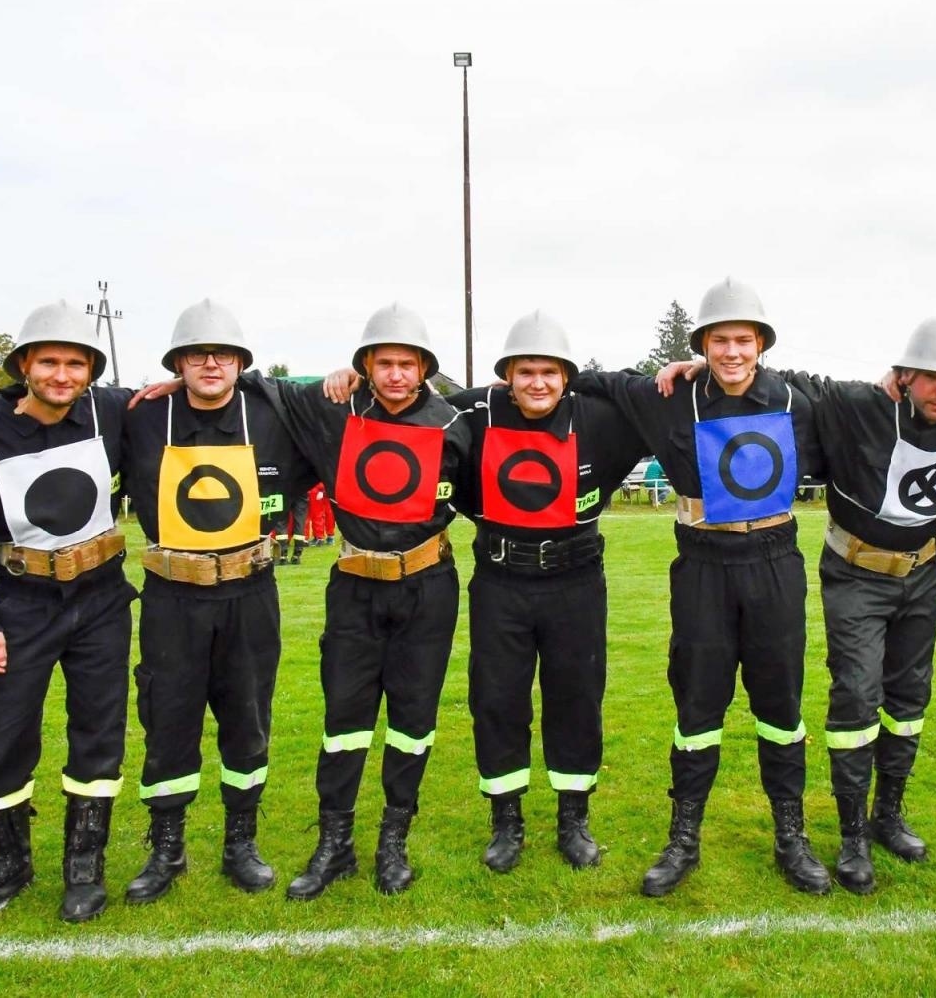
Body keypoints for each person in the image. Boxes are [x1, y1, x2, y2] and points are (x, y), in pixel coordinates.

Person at [663, 310, 936, 894]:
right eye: (930, 376)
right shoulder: (857, 403)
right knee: (850, 695)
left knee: (903, 698)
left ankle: (878, 816)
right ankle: (843, 836)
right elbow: (788, 380)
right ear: (904, 373)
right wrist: (708, 367)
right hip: (844, 572)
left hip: (916, 574)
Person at [573, 278, 828, 897]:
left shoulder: (800, 399)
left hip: (774, 565)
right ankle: (683, 838)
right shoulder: (667, 397)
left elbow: (881, 402)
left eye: (744, 340)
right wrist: (508, 380)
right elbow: (586, 380)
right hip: (702, 569)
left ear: (762, 344)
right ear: (703, 344)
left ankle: (790, 836)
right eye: (719, 340)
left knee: (781, 707)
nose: (732, 351)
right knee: (696, 707)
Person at [254, 303, 469, 900]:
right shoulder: (337, 410)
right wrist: (180, 372)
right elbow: (256, 384)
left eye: (407, 363)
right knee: (344, 720)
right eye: (384, 363)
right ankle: (334, 844)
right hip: (354, 587)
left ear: (424, 367)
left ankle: (393, 841)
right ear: (366, 366)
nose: (396, 374)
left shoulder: (454, 424)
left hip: (427, 586)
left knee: (412, 719)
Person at [0, 300, 136, 922]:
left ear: (90, 370)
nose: (62, 375)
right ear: (25, 364)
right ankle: (6, 864)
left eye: (76, 363)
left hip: (102, 599)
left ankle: (84, 866)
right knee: (3, 734)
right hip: (21, 604)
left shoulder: (107, 412)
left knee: (99, 733)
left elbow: (183, 388)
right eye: (49, 361)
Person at [119, 300, 314, 905]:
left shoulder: (273, 411)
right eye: (196, 353)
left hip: (249, 591)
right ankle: (167, 847)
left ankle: (241, 843)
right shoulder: (141, 417)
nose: (210, 362)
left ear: (241, 363)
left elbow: (339, 395)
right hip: (172, 595)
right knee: (168, 717)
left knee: (247, 717)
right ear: (176, 362)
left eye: (223, 353)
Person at [445, 311, 646, 873]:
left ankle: (573, 817)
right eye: (525, 371)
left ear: (568, 377)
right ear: (507, 374)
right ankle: (506, 821)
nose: (538, 383)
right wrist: (350, 378)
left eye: (551, 372)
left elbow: (651, 394)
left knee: (576, 697)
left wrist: (690, 365)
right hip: (501, 583)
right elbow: (408, 398)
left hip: (576, 582)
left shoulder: (598, 418)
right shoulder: (476, 412)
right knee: (497, 699)